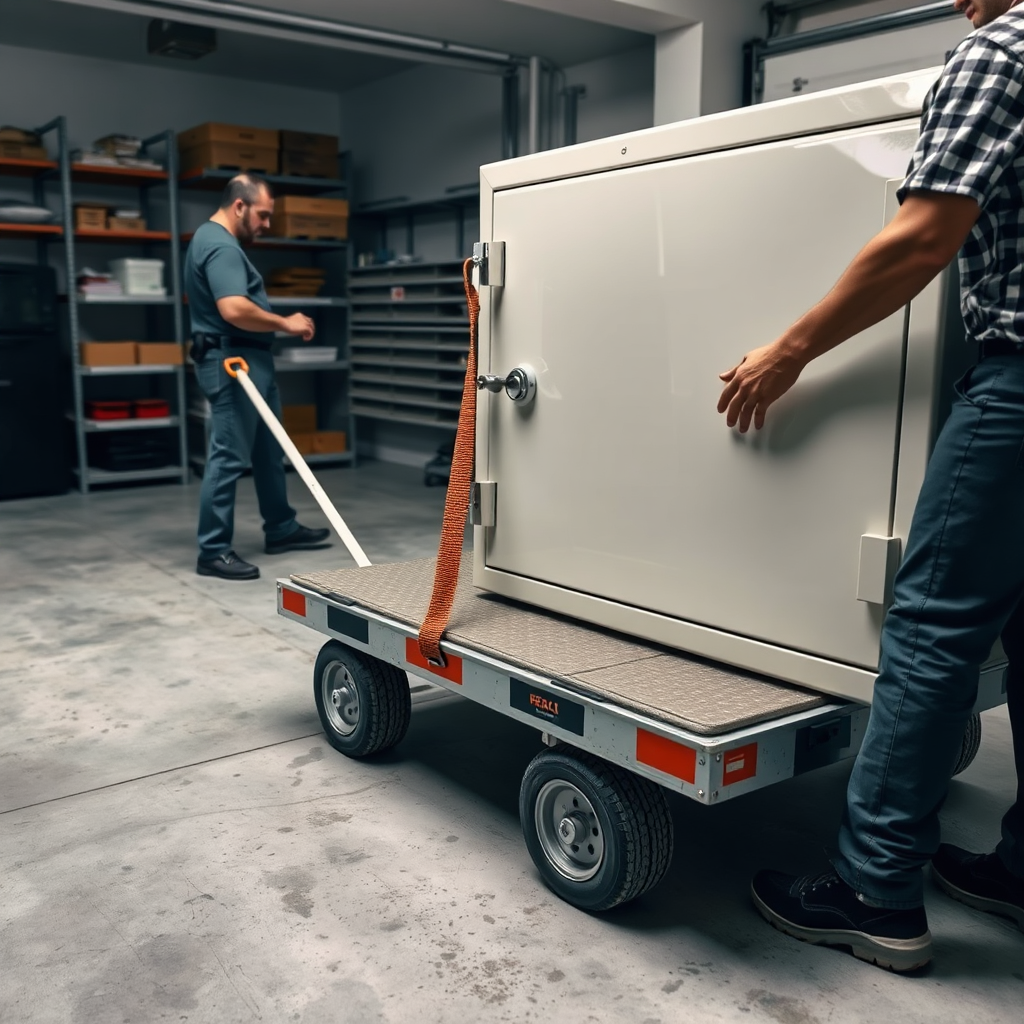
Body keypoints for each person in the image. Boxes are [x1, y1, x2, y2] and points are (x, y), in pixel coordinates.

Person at [717, 0, 1024, 972]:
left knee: (932, 626)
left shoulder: (998, 52)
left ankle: (874, 889)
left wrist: (789, 348)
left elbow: (917, 239)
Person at [185, 173, 331, 581]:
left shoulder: (216, 242)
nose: (267, 225)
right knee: (229, 455)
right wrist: (285, 323)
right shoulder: (219, 244)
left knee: (268, 450)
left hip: (250, 359)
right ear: (239, 206)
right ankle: (213, 551)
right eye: (263, 215)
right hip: (234, 363)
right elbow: (233, 308)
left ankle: (281, 527)